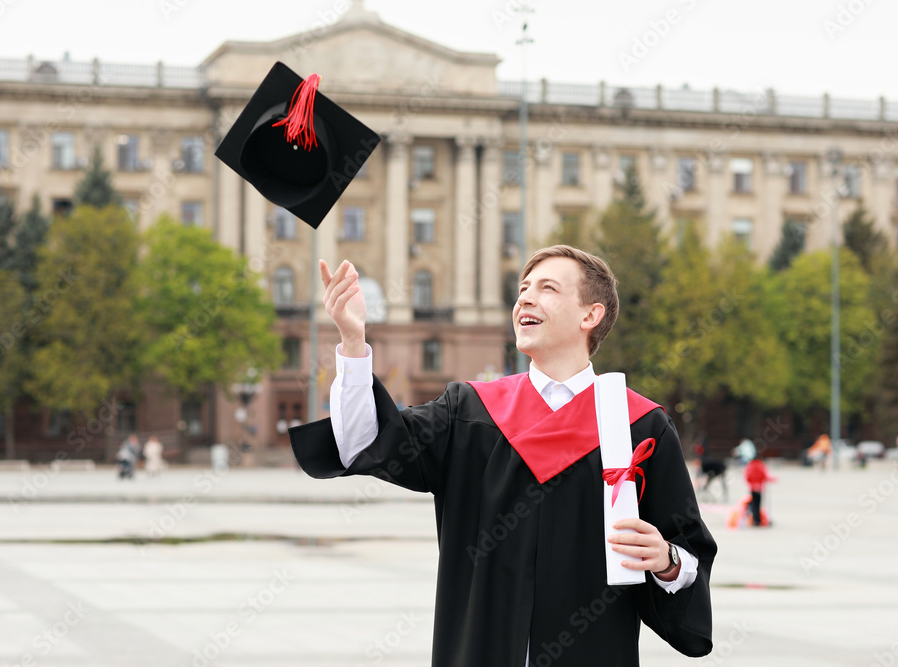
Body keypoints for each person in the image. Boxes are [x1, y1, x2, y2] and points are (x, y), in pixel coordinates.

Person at [290, 245, 715, 666]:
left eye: (548, 288)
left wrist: (666, 560)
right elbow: (366, 440)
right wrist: (352, 339)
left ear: (591, 315)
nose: (525, 298)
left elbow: (688, 552)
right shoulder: (469, 412)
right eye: (523, 289)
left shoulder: (640, 425)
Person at [743, 453, 776, 527]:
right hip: (759, 488)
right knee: (758, 505)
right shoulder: (761, 465)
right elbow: (764, 475)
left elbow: (747, 477)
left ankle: (755, 519)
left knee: (753, 504)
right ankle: (757, 520)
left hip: (752, 488)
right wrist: (772, 479)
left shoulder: (750, 465)